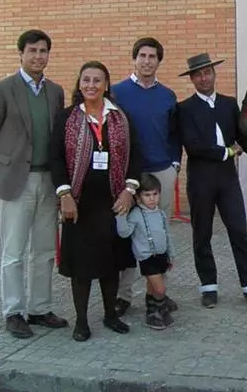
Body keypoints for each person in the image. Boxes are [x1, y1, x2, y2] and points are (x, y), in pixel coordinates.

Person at [0, 29, 68, 339]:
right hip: (16, 181)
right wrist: (5, 163)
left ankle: (40, 308)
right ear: (21, 54)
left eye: (43, 51)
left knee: (44, 249)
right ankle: (13, 311)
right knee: (14, 251)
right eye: (32, 50)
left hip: (47, 179)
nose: (38, 56)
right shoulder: (2, 89)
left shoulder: (55, 92)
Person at [49, 60, 142, 342]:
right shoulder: (67, 118)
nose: (91, 85)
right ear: (79, 84)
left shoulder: (121, 117)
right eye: (86, 80)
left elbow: (136, 155)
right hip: (79, 203)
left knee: (111, 263)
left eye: (97, 80)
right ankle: (81, 321)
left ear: (106, 85)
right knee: (82, 266)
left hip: (113, 202)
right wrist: (65, 195)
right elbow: (55, 158)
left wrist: (129, 190)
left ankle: (111, 315)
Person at [176, 52, 247, 309]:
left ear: (214, 74)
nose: (204, 78)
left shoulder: (229, 104)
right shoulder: (184, 109)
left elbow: (240, 135)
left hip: (227, 179)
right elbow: (192, 145)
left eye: (207, 73)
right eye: (198, 75)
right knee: (202, 234)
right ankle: (209, 287)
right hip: (200, 179)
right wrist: (228, 151)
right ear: (192, 79)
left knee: (239, 231)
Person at [110, 37, 182, 317]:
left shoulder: (168, 96)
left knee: (158, 234)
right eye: (142, 55)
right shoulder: (117, 93)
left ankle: (156, 294)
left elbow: (175, 134)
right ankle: (123, 295)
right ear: (134, 59)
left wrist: (174, 164)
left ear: (159, 61)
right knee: (128, 235)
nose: (147, 61)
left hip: (162, 172)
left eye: (152, 56)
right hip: (130, 175)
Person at [116, 172, 178, 329]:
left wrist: (171, 254)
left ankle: (152, 309)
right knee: (160, 289)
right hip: (147, 258)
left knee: (152, 287)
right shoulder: (136, 214)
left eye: (155, 194)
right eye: (147, 195)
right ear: (138, 197)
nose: (152, 198)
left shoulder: (160, 213)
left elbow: (166, 234)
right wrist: (121, 215)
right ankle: (158, 309)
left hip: (162, 255)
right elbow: (125, 233)